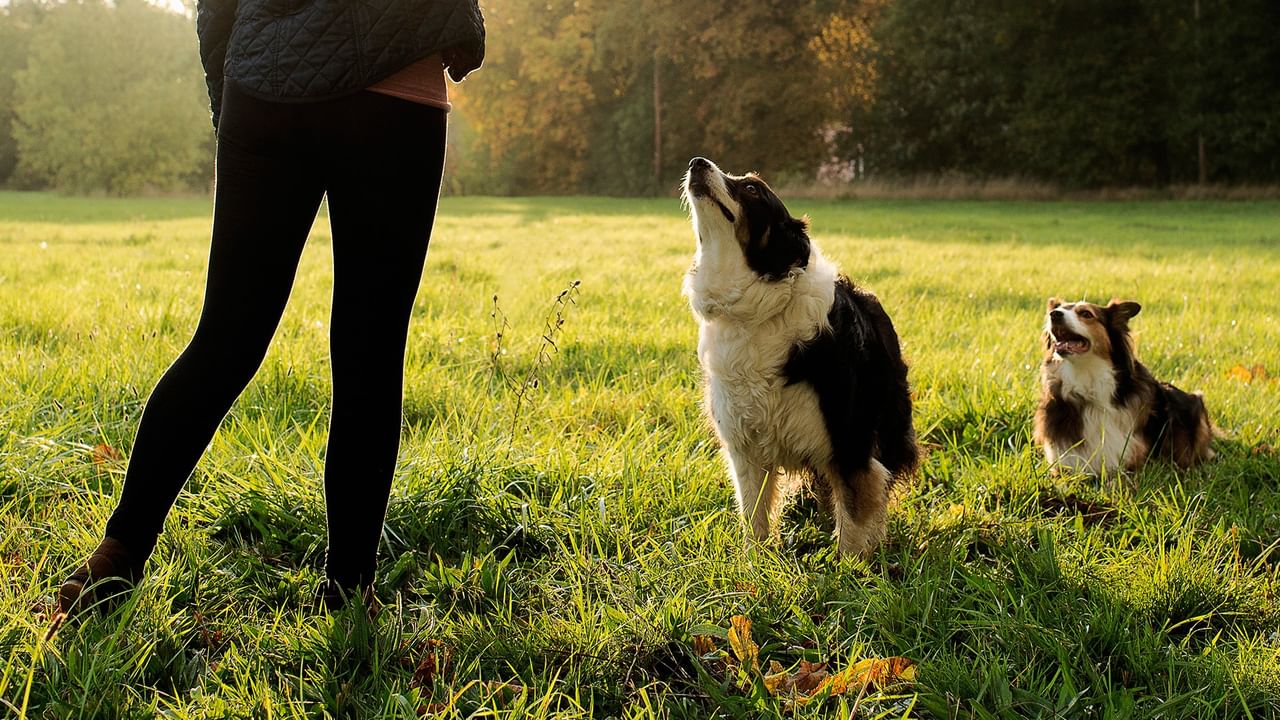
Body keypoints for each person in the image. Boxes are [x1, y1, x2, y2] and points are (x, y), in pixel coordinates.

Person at [58, 0, 485, 614]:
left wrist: (229, 92)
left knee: (225, 341)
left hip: (266, 86)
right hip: (393, 87)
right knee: (370, 350)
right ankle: (347, 590)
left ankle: (118, 555)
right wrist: (461, 29)